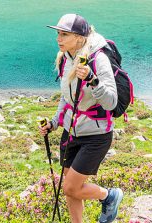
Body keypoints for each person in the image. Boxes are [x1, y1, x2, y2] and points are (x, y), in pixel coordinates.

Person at [39, 13, 123, 223]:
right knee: (71, 190)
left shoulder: (98, 58)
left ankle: (109, 196)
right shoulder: (65, 57)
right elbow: (67, 97)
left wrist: (92, 80)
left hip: (96, 134)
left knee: (70, 186)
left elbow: (111, 102)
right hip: (71, 131)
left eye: (64, 34)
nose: (58, 38)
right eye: (58, 33)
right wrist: (55, 122)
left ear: (79, 37)